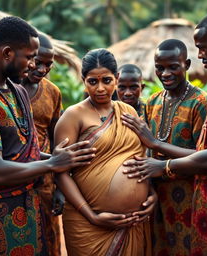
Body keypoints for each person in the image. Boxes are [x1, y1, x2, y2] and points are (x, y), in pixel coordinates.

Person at [0, 16, 95, 255]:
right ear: (7, 53)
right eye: (28, 57)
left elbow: (26, 154)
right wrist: (52, 163)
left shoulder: (16, 91)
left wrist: (67, 158)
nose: (32, 65)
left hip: (30, 205)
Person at [122, 11, 207, 255]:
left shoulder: (202, 101)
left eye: (202, 48)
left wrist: (162, 160)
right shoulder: (153, 102)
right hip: (160, 196)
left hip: (194, 197)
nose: (200, 55)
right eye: (160, 68)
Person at [54, 48, 155, 256]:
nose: (100, 88)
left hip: (132, 222)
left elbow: (139, 158)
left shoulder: (128, 112)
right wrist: (91, 215)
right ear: (83, 80)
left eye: (107, 81)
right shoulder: (73, 116)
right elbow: (60, 172)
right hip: (88, 225)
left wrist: (151, 194)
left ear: (116, 78)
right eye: (93, 81)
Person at [22, 33, 62, 256]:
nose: (42, 69)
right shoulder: (6, 87)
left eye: (49, 65)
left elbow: (57, 140)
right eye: (38, 62)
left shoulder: (52, 92)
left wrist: (59, 188)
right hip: (14, 176)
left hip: (45, 180)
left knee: (49, 239)